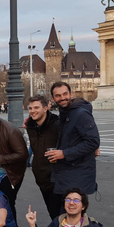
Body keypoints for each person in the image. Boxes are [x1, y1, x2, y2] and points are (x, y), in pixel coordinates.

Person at [45, 82, 100, 218]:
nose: (62, 98)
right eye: (58, 96)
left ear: (71, 94)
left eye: (65, 94)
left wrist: (64, 153)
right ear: (53, 98)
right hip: (69, 172)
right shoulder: (66, 113)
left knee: (70, 216)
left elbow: (93, 141)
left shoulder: (80, 114)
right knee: (66, 216)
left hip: (77, 173)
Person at [24, 95, 61, 219]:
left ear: (45, 108)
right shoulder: (30, 126)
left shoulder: (58, 124)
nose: (32, 111)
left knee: (63, 214)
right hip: (42, 178)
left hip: (58, 177)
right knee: (53, 213)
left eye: (36, 107)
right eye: (30, 108)